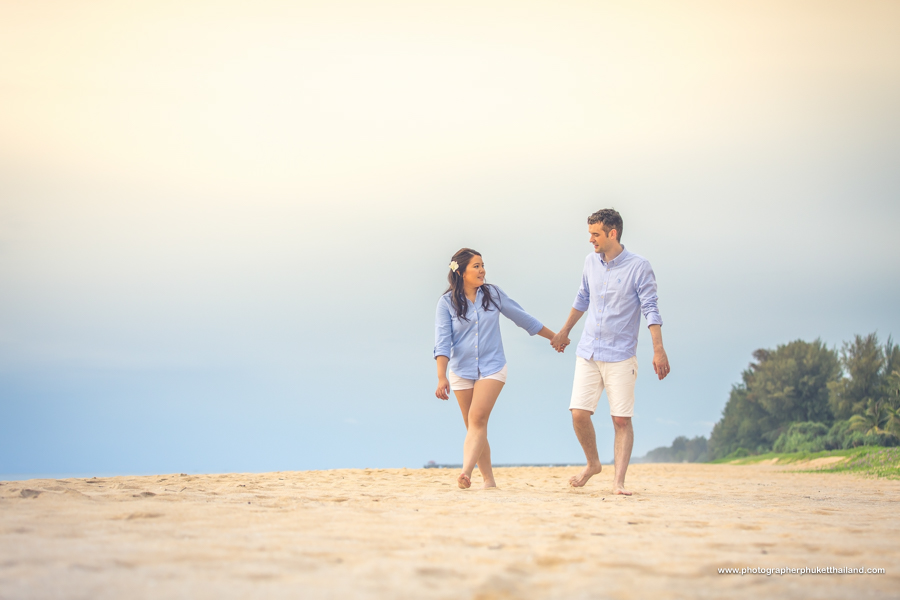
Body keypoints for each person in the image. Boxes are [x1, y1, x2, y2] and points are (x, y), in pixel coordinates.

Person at [551, 209, 670, 495]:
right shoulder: (590, 262)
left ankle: (618, 483)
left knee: (620, 419)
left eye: (595, 234)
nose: (591, 240)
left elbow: (650, 309)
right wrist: (565, 330)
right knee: (579, 413)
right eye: (590, 233)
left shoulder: (639, 267)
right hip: (589, 350)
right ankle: (593, 464)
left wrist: (658, 350)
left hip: (621, 355)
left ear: (612, 233)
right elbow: (582, 297)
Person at [434, 248, 557, 489]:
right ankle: (489, 481)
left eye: (482, 265)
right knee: (473, 428)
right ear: (460, 272)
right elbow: (442, 341)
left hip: (492, 367)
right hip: (461, 370)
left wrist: (554, 337)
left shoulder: (493, 294)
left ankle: (466, 472)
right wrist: (441, 377)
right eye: (476, 266)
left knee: (478, 419)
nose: (483, 270)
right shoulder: (446, 303)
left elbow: (523, 318)